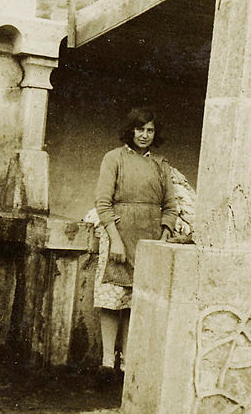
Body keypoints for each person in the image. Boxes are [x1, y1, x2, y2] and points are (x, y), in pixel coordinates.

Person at [93, 107, 177, 379]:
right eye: (139, 129)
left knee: (136, 301)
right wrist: (115, 240)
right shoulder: (114, 158)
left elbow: (170, 206)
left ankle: (128, 361)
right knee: (113, 299)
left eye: (150, 130)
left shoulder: (161, 165)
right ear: (130, 130)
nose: (144, 135)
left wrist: (164, 236)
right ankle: (108, 362)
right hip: (120, 235)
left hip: (149, 238)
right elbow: (103, 203)